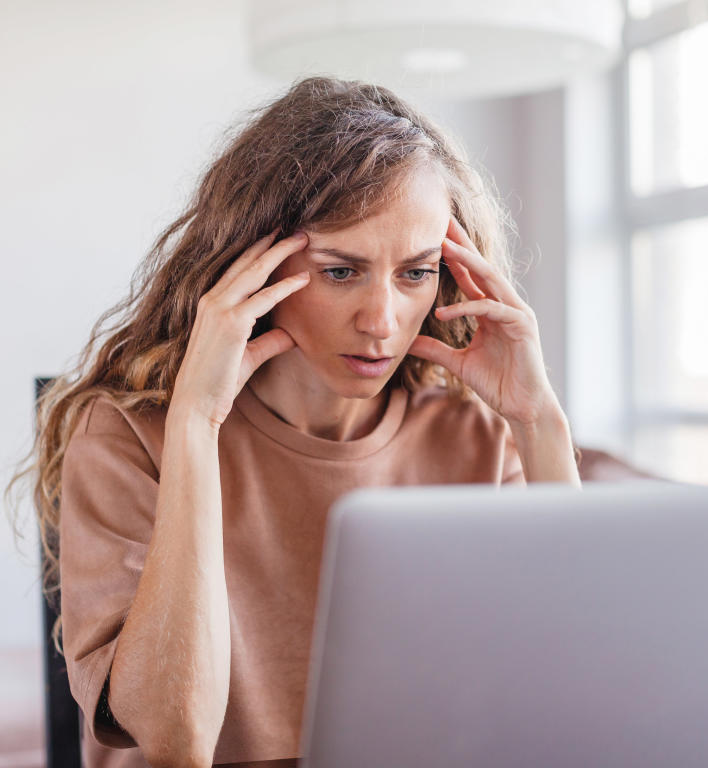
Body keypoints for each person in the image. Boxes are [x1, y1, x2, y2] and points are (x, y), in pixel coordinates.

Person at [17, 76, 580, 767]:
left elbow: (570, 698)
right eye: (341, 272)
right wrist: (196, 421)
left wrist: (540, 421)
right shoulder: (128, 437)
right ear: (250, 269)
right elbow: (177, 738)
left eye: (415, 273)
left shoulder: (476, 438)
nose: (382, 322)